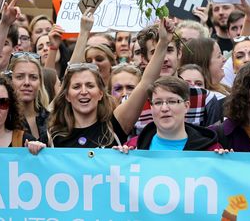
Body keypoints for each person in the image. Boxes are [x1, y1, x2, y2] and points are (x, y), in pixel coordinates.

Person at [26, 18, 176, 153]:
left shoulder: (114, 126)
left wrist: (163, 43)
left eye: (90, 86)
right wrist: (35, 151)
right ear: (67, 95)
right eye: (76, 87)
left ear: (101, 93)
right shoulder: (53, 136)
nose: (83, 91)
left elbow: (146, 83)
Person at [130, 76, 221, 151]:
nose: (164, 108)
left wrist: (228, 161)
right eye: (158, 102)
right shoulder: (133, 146)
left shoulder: (210, 150)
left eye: (172, 101)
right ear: (151, 107)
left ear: (186, 106)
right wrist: (119, 156)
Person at [6, 52, 50, 144]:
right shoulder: (3, 120)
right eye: (19, 77)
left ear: (40, 82)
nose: (27, 82)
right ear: (10, 80)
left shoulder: (51, 119)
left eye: (33, 77)